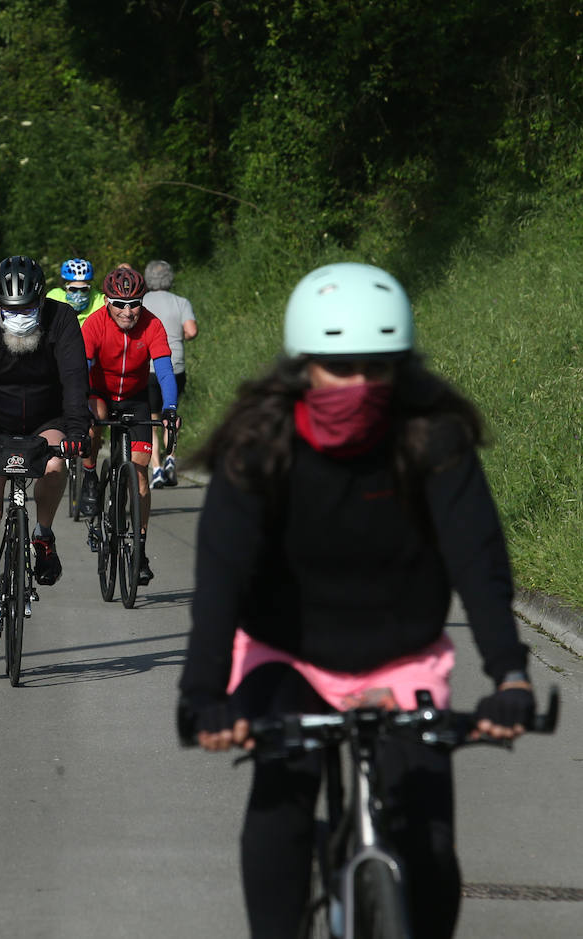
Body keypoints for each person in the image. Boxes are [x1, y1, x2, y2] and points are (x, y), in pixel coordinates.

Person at [176, 263, 535, 939]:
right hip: (289, 654)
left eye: (378, 367)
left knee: (429, 841)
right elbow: (220, 578)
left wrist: (509, 673)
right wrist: (203, 696)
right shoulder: (258, 446)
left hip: (401, 658)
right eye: (340, 367)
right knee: (282, 800)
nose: (359, 384)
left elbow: (477, 558)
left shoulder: (432, 437)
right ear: (303, 366)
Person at [0, 255, 89, 652]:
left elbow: (75, 378)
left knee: (56, 464)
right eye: (12, 309)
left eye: (27, 308)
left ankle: (42, 535)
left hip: (47, 417)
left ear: (40, 300)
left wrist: (77, 431)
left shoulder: (60, 319)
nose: (20, 316)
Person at [77, 265, 178, 586]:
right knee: (93, 418)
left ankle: (140, 550)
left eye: (134, 303)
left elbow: (164, 371)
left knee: (140, 477)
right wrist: (77, 406)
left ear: (142, 301)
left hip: (135, 398)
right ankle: (91, 476)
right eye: (119, 304)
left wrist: (170, 408)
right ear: (107, 302)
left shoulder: (152, 325)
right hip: (100, 391)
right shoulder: (94, 324)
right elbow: (83, 368)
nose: (127, 311)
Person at [142, 259, 198, 488]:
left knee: (152, 419)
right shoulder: (181, 302)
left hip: (148, 369)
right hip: (175, 366)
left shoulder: (141, 301)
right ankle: (171, 459)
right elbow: (191, 331)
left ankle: (156, 469)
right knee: (170, 417)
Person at [45, 258, 106, 327]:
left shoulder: (100, 301)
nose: (79, 293)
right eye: (73, 289)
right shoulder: (54, 298)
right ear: (65, 287)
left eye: (84, 289)